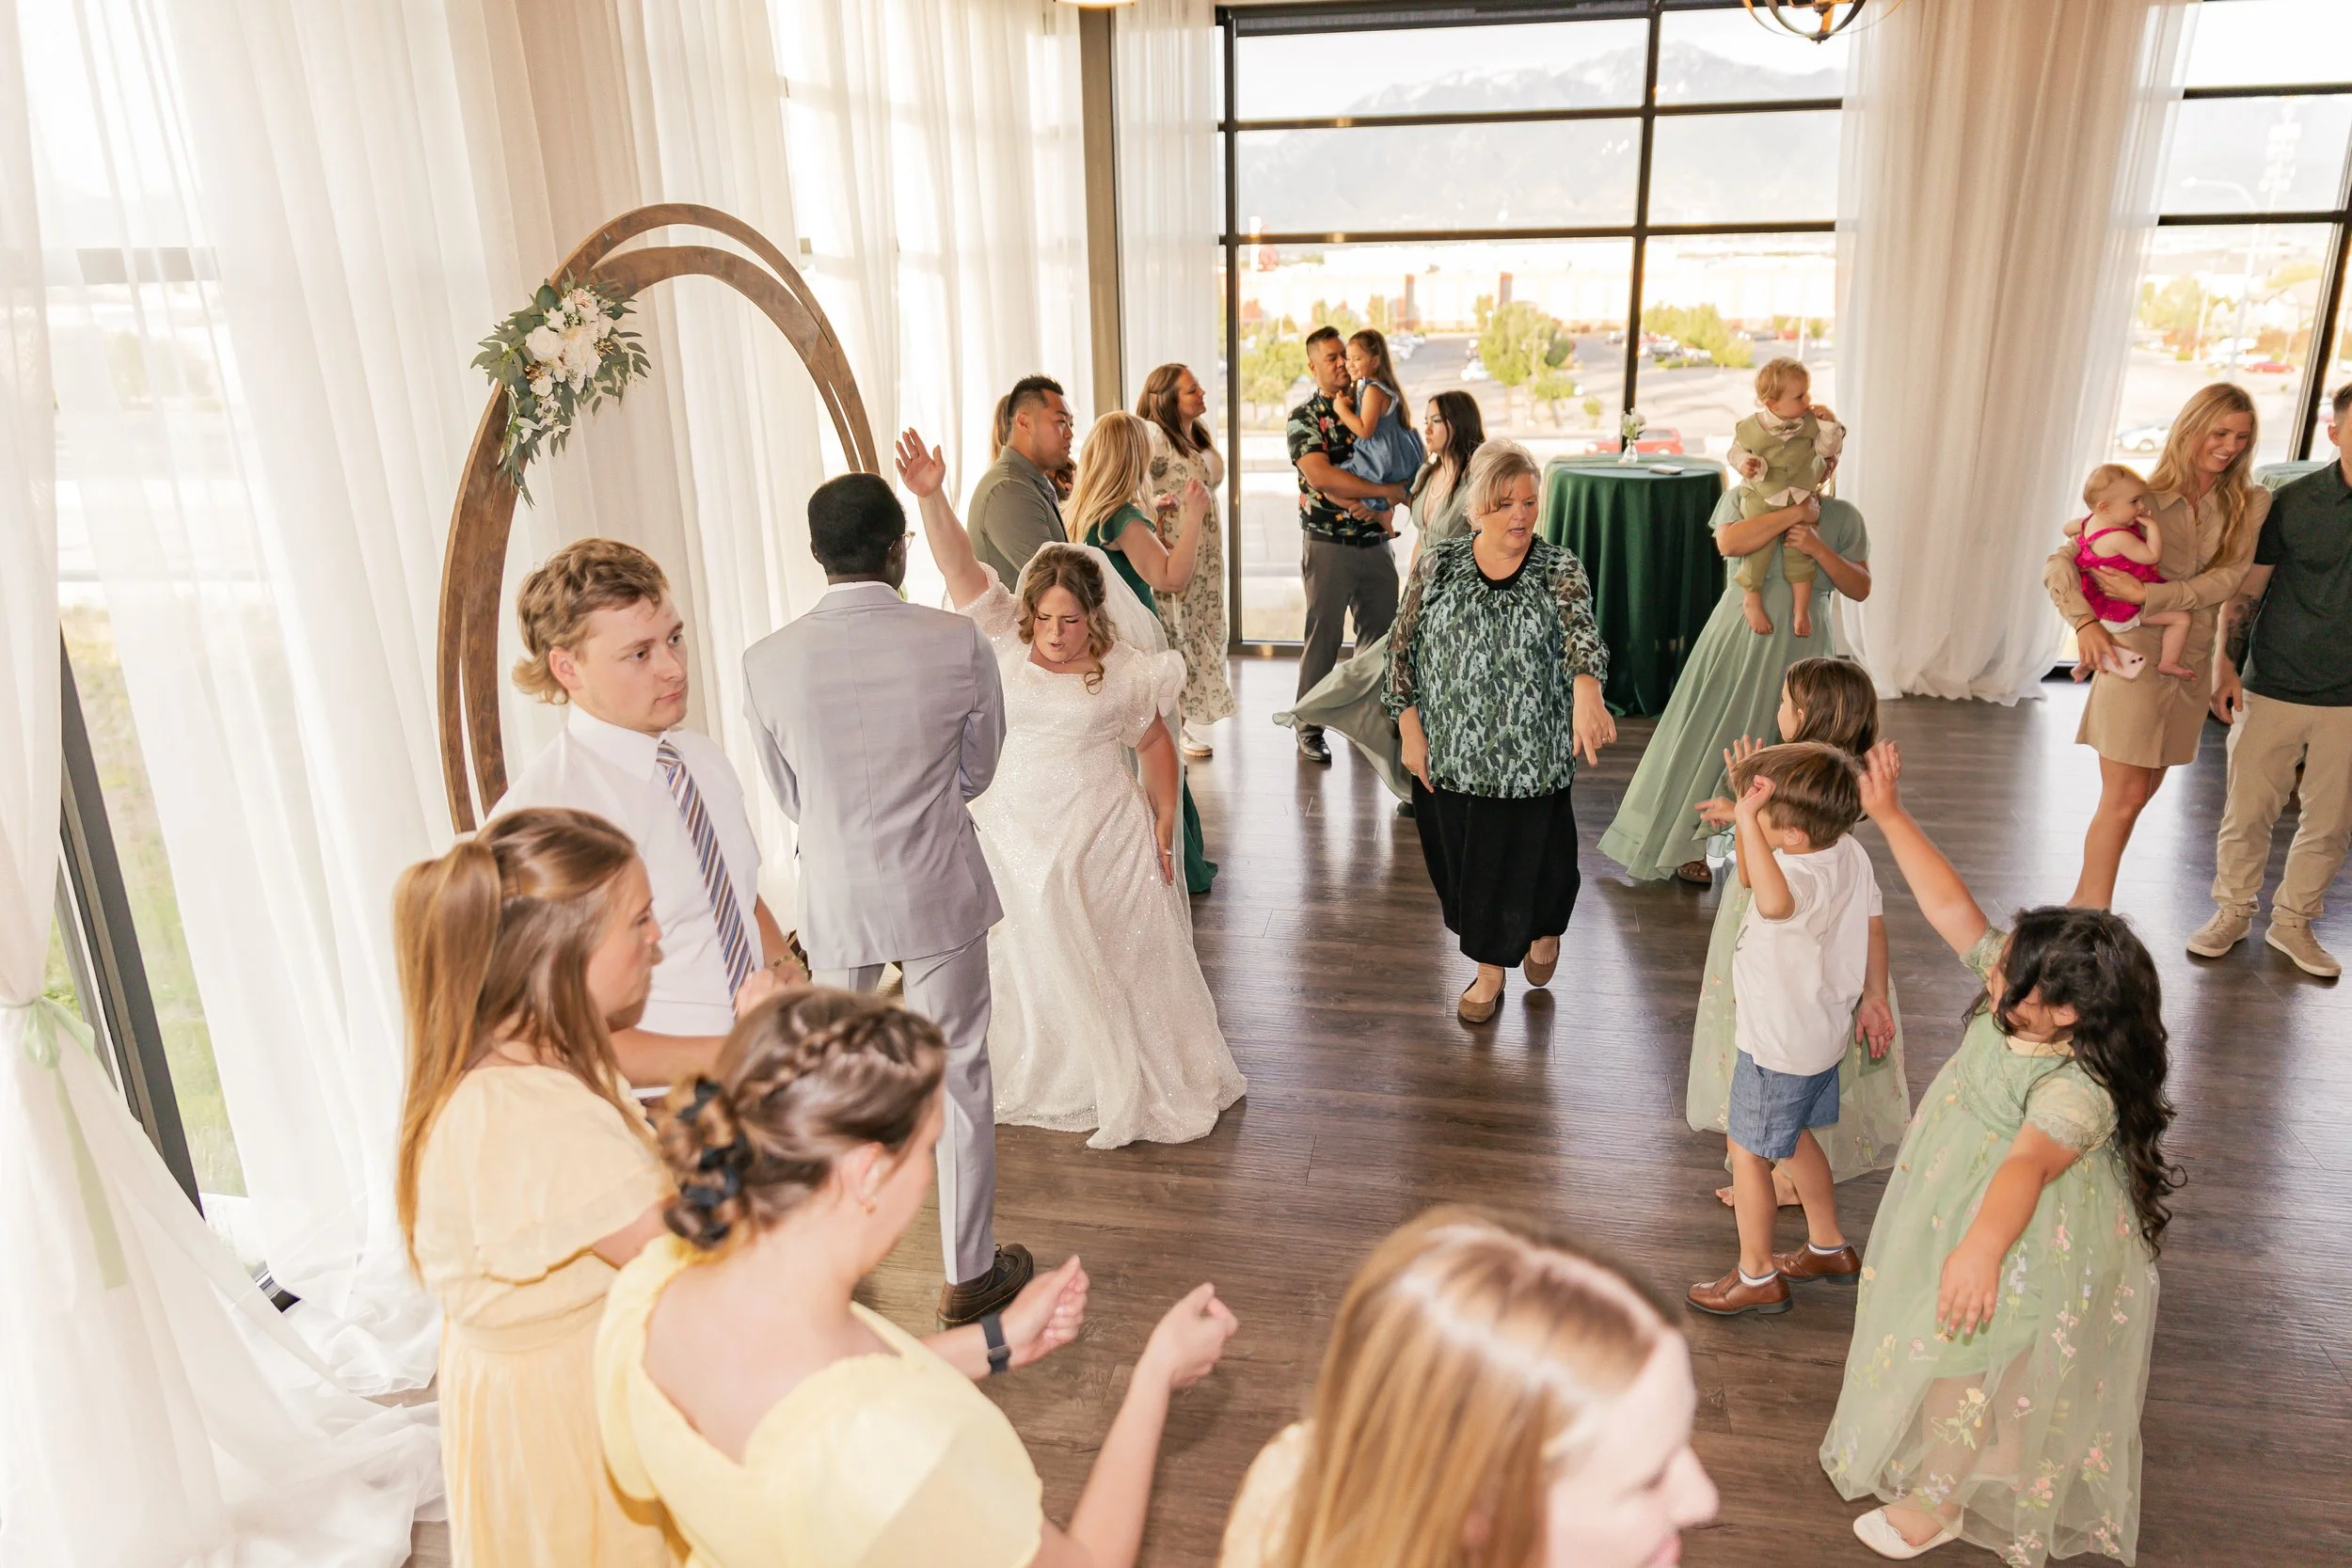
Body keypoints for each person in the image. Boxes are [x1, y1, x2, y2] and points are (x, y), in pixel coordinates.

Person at [596, 988, 1240, 1568]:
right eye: (928, 1147)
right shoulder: (891, 1451)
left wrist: (998, 1339)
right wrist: (1155, 1375)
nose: (930, 1174)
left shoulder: (651, 1294)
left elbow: (825, 1393)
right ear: (868, 1172)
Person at [1822, 742, 2175, 1565]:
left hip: (2023, 1226)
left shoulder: (2074, 1090)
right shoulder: (2024, 993)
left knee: (1967, 1351)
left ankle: (1937, 1501)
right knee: (1988, 1349)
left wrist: (1982, 1249)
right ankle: (2005, 1448)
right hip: (1966, 1187)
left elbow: (2026, 1169)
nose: (1990, 975)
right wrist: (1891, 815)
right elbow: (1953, 910)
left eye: (2009, 982)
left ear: (2064, 1016)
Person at [396, 808, 777, 1568]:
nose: (657, 938)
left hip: (540, 1386)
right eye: (638, 921)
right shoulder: (529, 1114)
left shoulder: (526, 1050)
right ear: (562, 956)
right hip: (567, 1416)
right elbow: (709, 1256)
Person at [739, 473, 1033, 1327]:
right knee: (961, 1069)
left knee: (830, 1080)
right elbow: (980, 768)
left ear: (815, 554)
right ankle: (968, 1270)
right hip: (936, 878)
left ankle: (828, 1257)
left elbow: (791, 795)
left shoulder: (766, 659)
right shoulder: (956, 641)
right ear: (901, 544)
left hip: (835, 889)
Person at [900, 428, 1248, 1148]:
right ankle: (1046, 1066)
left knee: (1112, 950)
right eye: (1046, 619)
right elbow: (960, 563)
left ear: (1094, 617)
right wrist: (932, 497)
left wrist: (1160, 818)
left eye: (1071, 621)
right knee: (1023, 958)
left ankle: (1125, 1068)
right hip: (1013, 830)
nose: (1055, 634)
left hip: (1099, 829)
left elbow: (1153, 744)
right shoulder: (1003, 637)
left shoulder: (1123, 669)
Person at [1216, 1207, 1718, 1568]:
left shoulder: (1293, 1475)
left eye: (1685, 1439)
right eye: (1649, 1479)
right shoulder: (1283, 1498)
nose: (1704, 1500)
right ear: (1476, 1510)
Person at [496, 539, 800, 1089]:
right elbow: (554, 1034)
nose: (672, 668)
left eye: (675, 639)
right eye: (639, 653)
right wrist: (739, 1054)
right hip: (662, 1114)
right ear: (567, 668)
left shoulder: (700, 757)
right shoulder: (546, 816)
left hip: (766, 1076)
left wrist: (786, 973)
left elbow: (737, 893)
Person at [1388, 440, 1614, 1024]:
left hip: (1532, 762)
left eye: (1530, 502)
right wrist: (1411, 733)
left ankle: (1541, 931)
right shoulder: (1439, 563)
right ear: (1475, 511)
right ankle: (1490, 969)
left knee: (1544, 868)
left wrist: (1587, 691)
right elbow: (1400, 653)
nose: (1520, 513)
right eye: (1506, 502)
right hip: (1451, 759)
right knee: (1468, 873)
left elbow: (1581, 636)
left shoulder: (1558, 567)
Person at [1687, 658, 1908, 1210]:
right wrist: (1875, 992)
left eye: (1784, 702)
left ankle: (1773, 1177)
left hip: (1784, 954)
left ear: (1805, 714)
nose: (1778, 710)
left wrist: (1744, 817)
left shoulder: (1789, 786)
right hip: (1836, 957)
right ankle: (1784, 1169)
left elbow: (1751, 877)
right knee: (1811, 1074)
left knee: (1775, 1066)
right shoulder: (1830, 790)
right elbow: (1873, 921)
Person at [2043, 382, 2268, 910]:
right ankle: (2091, 913)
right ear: (2190, 428)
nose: (2231, 446)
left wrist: (2154, 593)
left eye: (2242, 436)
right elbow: (2062, 561)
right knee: (2121, 798)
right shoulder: (2138, 493)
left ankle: (2081, 904)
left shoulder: (2250, 502)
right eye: (2220, 432)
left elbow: (2232, 578)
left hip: (2187, 660)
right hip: (2134, 657)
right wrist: (2083, 624)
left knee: (2139, 797)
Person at [1685, 742, 1881, 1319]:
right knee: (1793, 1139)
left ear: (1792, 835)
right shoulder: (1846, 850)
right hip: (1817, 1036)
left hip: (1778, 1043)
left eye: (1761, 809)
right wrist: (1748, 817)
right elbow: (1751, 875)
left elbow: (1770, 902)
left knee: (1748, 1153)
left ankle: (1756, 1274)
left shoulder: (1799, 876)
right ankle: (1827, 1245)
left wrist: (1745, 818)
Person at [1598, 483, 1874, 886]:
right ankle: (1685, 845)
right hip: (1742, 636)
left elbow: (1860, 587)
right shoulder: (1742, 496)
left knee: (1800, 745)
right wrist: (1793, 515)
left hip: (1805, 643)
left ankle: (1791, 840)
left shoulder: (1844, 516)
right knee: (1711, 738)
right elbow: (1729, 543)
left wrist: (1817, 548)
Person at [2191, 381, 2352, 978]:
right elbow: (2248, 591)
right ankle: (2232, 911)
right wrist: (2226, 666)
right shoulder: (2292, 503)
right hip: (2273, 682)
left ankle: (2294, 922)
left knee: (2330, 821)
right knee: (2248, 809)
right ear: (2334, 432)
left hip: (2350, 701)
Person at [1276, 391, 1487, 807]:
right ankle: (1314, 719)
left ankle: (1441, 781)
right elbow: (1421, 535)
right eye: (1425, 419)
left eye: (1435, 421)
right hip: (1420, 595)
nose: (1425, 428)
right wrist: (1410, 588)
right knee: (1383, 674)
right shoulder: (1427, 475)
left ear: (1457, 425)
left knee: (1436, 692)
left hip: (1457, 603)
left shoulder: (1477, 480)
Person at [1068, 409, 1219, 895]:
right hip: (1135, 649)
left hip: (1102, 645)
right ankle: (1169, 859)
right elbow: (1171, 577)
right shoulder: (1124, 518)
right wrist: (1194, 515)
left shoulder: (1084, 512)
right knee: (1156, 747)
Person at [1289, 325, 1413, 764]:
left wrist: (1387, 494)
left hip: (1376, 543)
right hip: (1328, 544)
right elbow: (1320, 476)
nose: (1342, 363)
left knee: (1380, 639)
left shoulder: (1371, 403)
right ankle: (1308, 725)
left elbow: (1398, 462)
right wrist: (1375, 494)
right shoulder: (1305, 417)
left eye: (1345, 355)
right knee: (1323, 638)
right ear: (1313, 367)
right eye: (1331, 358)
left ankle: (1369, 726)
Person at [1136, 361, 1239, 759]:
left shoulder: (1193, 435)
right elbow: (1132, 480)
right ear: (1167, 399)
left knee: (1201, 630)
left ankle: (1179, 723)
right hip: (1175, 550)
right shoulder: (1153, 435)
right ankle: (1169, 726)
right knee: (1175, 634)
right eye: (1192, 390)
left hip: (1205, 557)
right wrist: (1152, 515)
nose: (1202, 395)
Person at [1725, 357, 1844, 639]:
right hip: (1762, 496)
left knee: (1800, 550)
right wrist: (1745, 464)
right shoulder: (1748, 428)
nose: (1808, 400)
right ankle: (1751, 601)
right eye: (1799, 396)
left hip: (1800, 496)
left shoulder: (1812, 423)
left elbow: (1829, 449)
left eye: (1808, 393)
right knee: (1758, 548)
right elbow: (1736, 453)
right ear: (1772, 404)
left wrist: (1829, 424)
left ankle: (1801, 610)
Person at [2063, 465, 2193, 681]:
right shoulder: (2118, 538)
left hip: (2101, 600)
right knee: (2181, 619)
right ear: (2104, 507)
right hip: (2123, 605)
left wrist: (2080, 533)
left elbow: (2067, 528)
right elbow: (2152, 555)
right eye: (2135, 502)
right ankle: (2169, 662)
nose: (2142, 506)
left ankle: (2084, 666)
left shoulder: (2090, 522)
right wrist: (2152, 527)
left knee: (2109, 639)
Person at [968, 373, 1075, 583]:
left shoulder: (1029, 480)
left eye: (1072, 424)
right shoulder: (1008, 489)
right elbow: (1056, 581)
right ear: (1024, 422)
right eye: (1061, 421)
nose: (1069, 434)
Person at [1328, 327, 1423, 519]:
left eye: (1357, 359)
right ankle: (1383, 508)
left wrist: (1341, 409)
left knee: (1331, 487)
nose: (1350, 365)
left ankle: (1383, 509)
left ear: (1375, 361)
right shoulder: (1372, 388)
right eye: (1349, 358)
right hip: (1388, 456)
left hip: (1379, 460)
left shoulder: (1373, 391)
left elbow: (1364, 430)